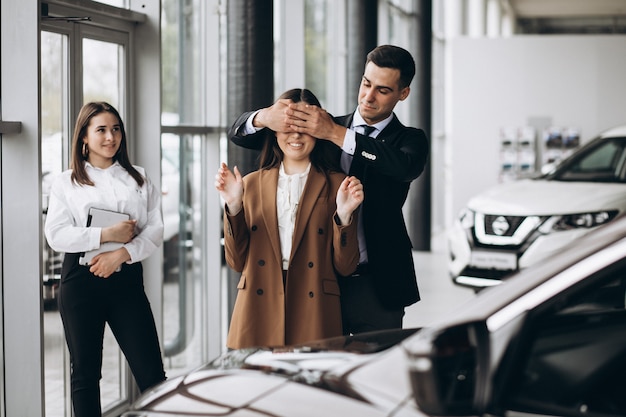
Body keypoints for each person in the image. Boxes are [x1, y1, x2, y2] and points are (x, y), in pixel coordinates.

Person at [227, 45, 429, 335]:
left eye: (382, 90)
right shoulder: (322, 129)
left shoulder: (409, 140)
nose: (368, 97)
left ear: (403, 93)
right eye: (366, 83)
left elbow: (403, 167)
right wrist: (263, 117)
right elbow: (240, 135)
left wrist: (335, 134)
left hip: (377, 285)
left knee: (371, 374)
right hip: (318, 280)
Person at [216, 88, 364, 349]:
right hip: (257, 307)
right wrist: (234, 205)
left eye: (305, 126)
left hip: (314, 308)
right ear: (274, 131)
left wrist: (344, 215)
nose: (296, 135)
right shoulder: (249, 184)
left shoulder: (338, 184)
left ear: (318, 131)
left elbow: (345, 267)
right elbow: (236, 261)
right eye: (288, 126)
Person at [45, 102, 166, 416]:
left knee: (152, 374)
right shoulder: (66, 182)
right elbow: (56, 235)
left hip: (126, 280)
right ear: (84, 136)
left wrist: (122, 254)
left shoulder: (138, 177)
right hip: (80, 283)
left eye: (116, 129)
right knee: (85, 376)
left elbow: (155, 228)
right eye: (101, 130)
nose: (111, 137)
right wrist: (106, 234)